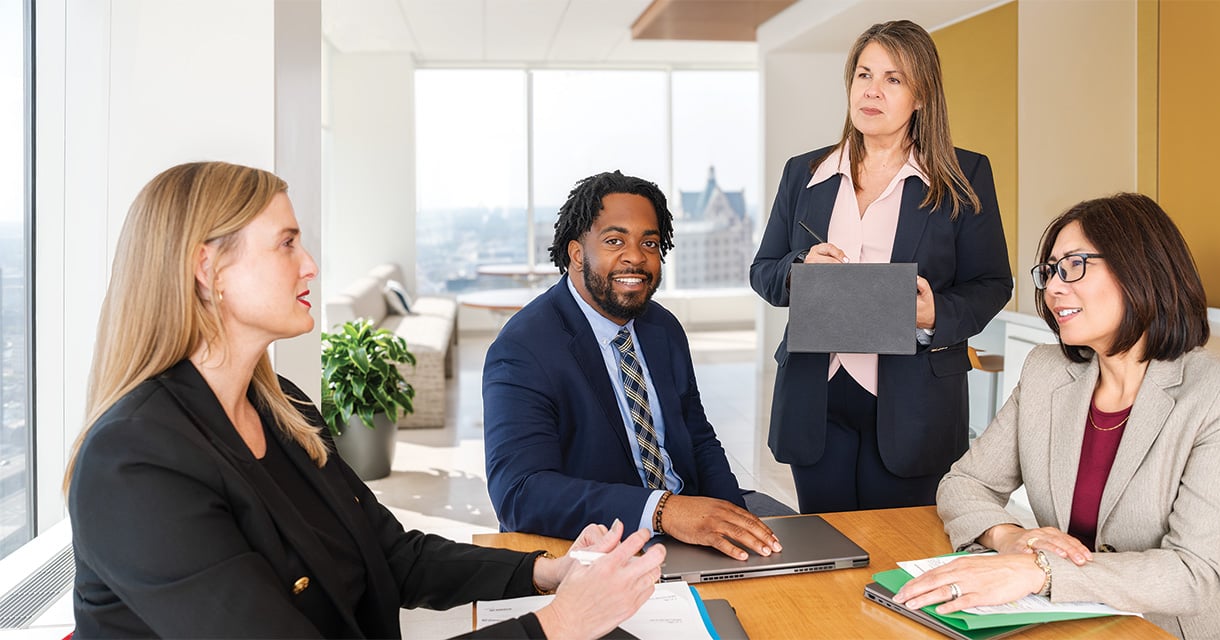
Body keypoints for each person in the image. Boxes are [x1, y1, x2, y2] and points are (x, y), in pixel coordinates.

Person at [65, 161, 667, 639]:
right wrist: (559, 625)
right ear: (207, 268)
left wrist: (548, 571)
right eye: (286, 244)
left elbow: (392, 554)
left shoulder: (285, 410)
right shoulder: (134, 463)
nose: (311, 266)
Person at [895, 193, 1220, 639]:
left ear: (1139, 269)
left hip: (1173, 630)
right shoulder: (1046, 372)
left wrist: (1040, 572)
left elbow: (1192, 572)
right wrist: (1010, 537)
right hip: (1079, 622)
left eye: (1074, 266)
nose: (1053, 287)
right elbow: (966, 484)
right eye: (1050, 271)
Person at [750, 20, 1012, 513]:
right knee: (826, 547)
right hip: (817, 393)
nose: (872, 91)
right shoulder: (805, 173)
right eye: (864, 75)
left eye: (894, 79)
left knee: (898, 556)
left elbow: (993, 283)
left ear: (921, 96)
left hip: (914, 400)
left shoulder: (964, 176)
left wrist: (937, 314)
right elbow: (763, 269)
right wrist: (799, 266)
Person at [484, 170, 784, 561]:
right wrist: (661, 510)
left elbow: (698, 438)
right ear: (577, 254)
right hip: (599, 541)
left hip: (688, 524)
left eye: (650, 242)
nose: (636, 257)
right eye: (614, 241)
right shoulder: (523, 348)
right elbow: (521, 494)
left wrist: (731, 518)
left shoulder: (662, 327)